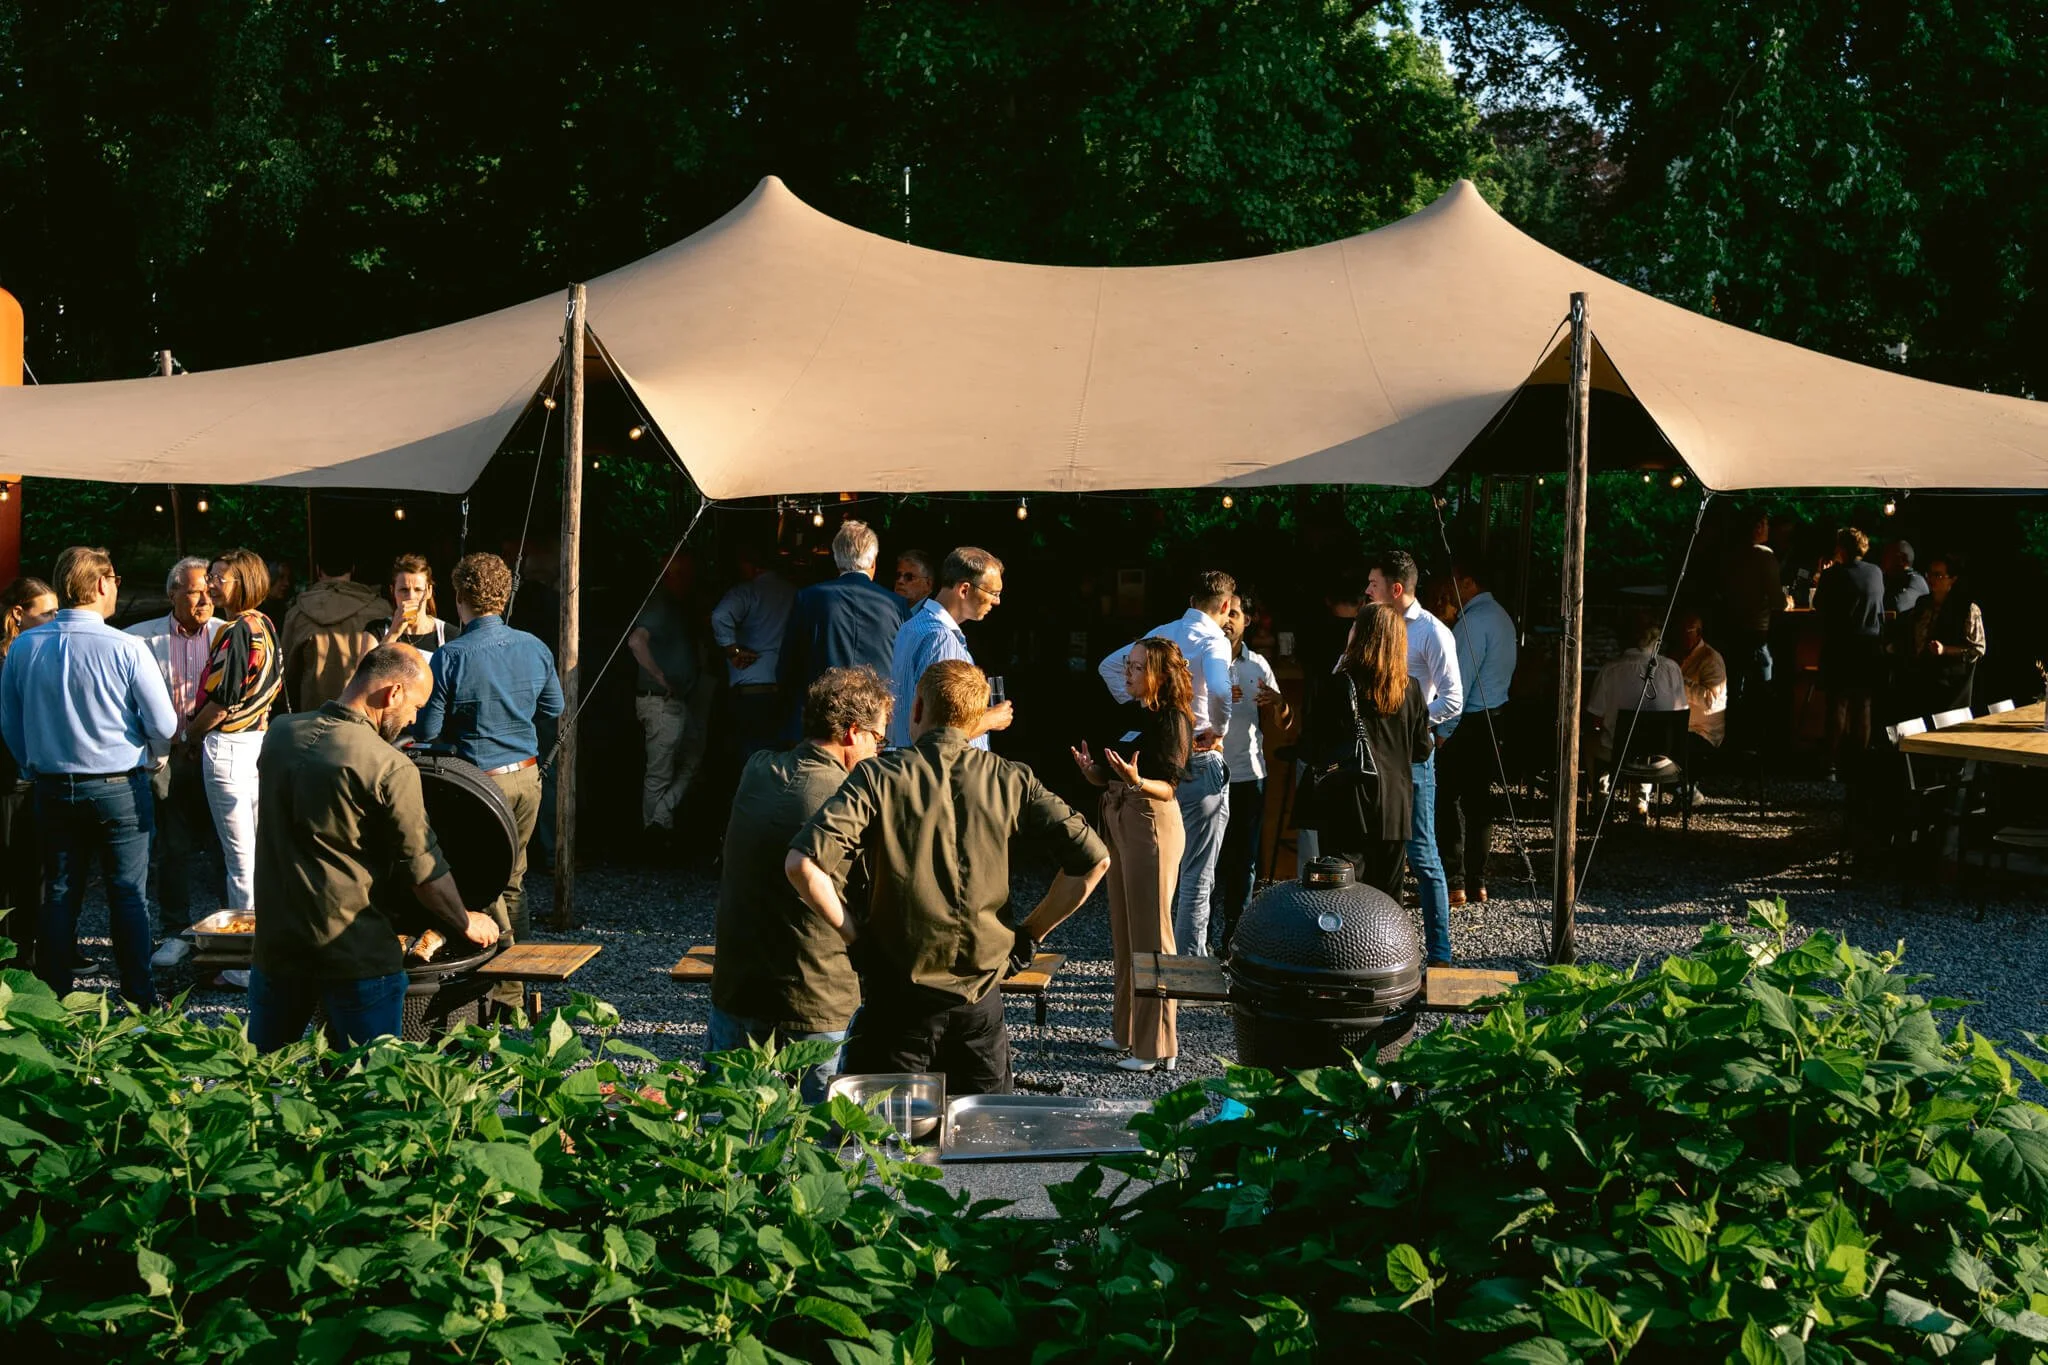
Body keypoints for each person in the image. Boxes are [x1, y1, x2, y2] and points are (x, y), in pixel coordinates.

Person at [787, 660, 1109, 1097]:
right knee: (983, 1143)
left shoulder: (878, 776)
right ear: (976, 720)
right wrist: (1029, 935)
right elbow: (1094, 860)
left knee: (876, 1146)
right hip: (980, 1004)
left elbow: (803, 865)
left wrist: (856, 938)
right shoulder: (1012, 778)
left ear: (916, 708)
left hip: (898, 1002)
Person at [248, 645, 499, 1051]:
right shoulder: (389, 765)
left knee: (257, 1077)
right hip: (354, 955)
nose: (415, 718)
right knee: (369, 1093)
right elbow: (424, 871)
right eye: (415, 705)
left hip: (278, 948)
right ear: (393, 692)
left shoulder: (279, 735)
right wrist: (465, 921)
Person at [0, 548, 176, 1004]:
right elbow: (165, 724)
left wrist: (31, 763)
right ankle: (139, 996)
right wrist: (155, 755)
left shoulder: (23, 645)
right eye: (114, 580)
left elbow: (10, 722)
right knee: (127, 894)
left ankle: (55, 999)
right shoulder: (126, 646)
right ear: (101, 585)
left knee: (59, 893)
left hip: (52, 785)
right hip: (119, 784)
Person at [709, 666, 893, 1101]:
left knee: (729, 1145)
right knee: (824, 1148)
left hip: (738, 990)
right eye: (879, 739)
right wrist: (858, 939)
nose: (881, 751)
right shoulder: (848, 798)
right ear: (852, 733)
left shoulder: (757, 769)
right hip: (816, 997)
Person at [416, 553, 564, 942]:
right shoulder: (534, 646)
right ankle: (521, 971)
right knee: (514, 877)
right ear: (502, 598)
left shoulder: (451, 656)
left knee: (481, 881)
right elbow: (554, 708)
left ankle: (500, 981)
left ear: (461, 597)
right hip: (528, 776)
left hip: (479, 783)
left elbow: (428, 729)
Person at [1097, 570, 1237, 957]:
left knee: (1159, 866)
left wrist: (1147, 710)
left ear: (1192, 600)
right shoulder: (1215, 641)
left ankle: (1153, 954)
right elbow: (1222, 692)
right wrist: (1219, 728)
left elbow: (1109, 666)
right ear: (1225, 606)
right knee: (1196, 870)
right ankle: (1189, 962)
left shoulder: (1163, 631)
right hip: (1199, 750)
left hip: (1160, 754)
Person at [1071, 637, 1193, 1072]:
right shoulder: (1129, 714)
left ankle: (1159, 1045)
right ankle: (1126, 1031)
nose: (1129, 673)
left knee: (1153, 936)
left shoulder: (1174, 719)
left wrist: (1137, 780)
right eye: (1129, 665)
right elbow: (1112, 773)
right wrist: (1094, 773)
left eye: (1139, 667)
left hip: (1151, 823)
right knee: (1123, 930)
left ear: (1160, 672)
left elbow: (1170, 785)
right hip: (1119, 816)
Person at [124, 557, 226, 967]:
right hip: (167, 755)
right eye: (195, 590)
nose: (205, 598)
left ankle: (231, 927)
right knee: (173, 847)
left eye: (209, 590)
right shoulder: (138, 639)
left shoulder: (229, 634)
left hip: (218, 752)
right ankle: (175, 929)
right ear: (173, 594)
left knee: (227, 846)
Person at [1364, 551, 1461, 966]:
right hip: (1373, 752)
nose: (1366, 590)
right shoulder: (1369, 629)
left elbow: (1454, 698)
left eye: (1373, 584)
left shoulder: (1433, 633)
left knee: (1422, 853)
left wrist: (1418, 725)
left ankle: (1440, 954)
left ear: (1395, 588)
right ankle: (1382, 950)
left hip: (1411, 756)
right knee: (1378, 849)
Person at [1297, 604, 1430, 905]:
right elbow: (1421, 750)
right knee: (1388, 903)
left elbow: (1312, 746)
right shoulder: (1412, 689)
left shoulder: (1338, 685)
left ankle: (1345, 953)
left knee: (1341, 900)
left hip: (1347, 801)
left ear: (1362, 636)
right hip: (1395, 806)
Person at [181, 549, 285, 924]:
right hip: (259, 742)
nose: (210, 584)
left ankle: (242, 958)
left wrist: (189, 735)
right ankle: (265, 940)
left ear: (242, 582)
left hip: (230, 745)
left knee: (240, 858)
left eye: (218, 578)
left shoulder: (238, 630)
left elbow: (223, 702)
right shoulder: (265, 624)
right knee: (258, 852)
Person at [1437, 556, 1516, 908]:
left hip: (1468, 719)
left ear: (1469, 584)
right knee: (1479, 802)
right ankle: (1477, 880)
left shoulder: (1473, 624)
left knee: (1449, 799)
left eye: (1454, 582)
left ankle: (1455, 881)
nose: (1449, 589)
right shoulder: (1502, 619)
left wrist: (1443, 730)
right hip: (1495, 715)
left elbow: (1460, 684)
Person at [1213, 596, 1288, 950]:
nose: (1228, 621)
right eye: (1224, 613)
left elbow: (1282, 721)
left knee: (1245, 860)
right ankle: (1196, 934)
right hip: (1207, 773)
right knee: (1206, 860)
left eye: (1236, 615)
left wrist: (1279, 704)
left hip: (1248, 774)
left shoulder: (1258, 665)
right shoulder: (1200, 662)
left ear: (1248, 622)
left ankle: (1234, 932)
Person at [889, 547, 1014, 749]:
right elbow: (940, 734)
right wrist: (992, 718)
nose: (997, 601)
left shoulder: (912, 626)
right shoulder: (941, 638)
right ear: (964, 589)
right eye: (993, 593)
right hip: (939, 775)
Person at [0, 577, 59, 976]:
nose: (55, 620)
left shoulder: (30, 653)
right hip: (7, 777)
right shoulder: (11, 658)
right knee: (9, 867)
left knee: (29, 867)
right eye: (48, 613)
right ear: (19, 614)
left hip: (26, 774)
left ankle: (28, 951)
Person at [627, 557, 706, 855]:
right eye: (682, 574)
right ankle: (654, 839)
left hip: (675, 701)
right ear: (668, 576)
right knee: (659, 772)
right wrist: (660, 677)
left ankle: (660, 819)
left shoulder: (675, 607)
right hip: (661, 701)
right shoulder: (659, 606)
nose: (688, 581)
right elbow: (636, 642)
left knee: (692, 757)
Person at [779, 520, 907, 699]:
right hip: (879, 711)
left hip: (825, 709)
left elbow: (789, 664)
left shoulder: (809, 598)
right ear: (873, 562)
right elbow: (906, 663)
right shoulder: (896, 604)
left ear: (837, 560)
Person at [1587, 612, 1687, 815]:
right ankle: (1640, 802)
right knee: (1647, 744)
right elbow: (1680, 712)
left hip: (1619, 754)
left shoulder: (1611, 670)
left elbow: (1596, 717)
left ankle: (1602, 797)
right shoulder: (1671, 669)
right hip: (1662, 755)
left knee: (1590, 740)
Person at [710, 545, 798, 758]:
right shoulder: (794, 592)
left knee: (751, 756)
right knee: (778, 756)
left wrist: (733, 650)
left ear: (753, 565)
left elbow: (720, 616)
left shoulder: (746, 591)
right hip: (782, 684)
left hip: (750, 687)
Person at [1814, 527, 1885, 775]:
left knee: (1838, 704)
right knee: (1863, 705)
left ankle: (1830, 763)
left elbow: (1819, 606)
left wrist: (1821, 577)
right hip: (1869, 646)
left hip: (1841, 647)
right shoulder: (1876, 572)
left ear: (1841, 548)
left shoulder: (1833, 575)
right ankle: (1859, 764)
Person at [280, 554, 385, 711]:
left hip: (312, 716)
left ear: (318, 571)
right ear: (353, 569)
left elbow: (286, 675)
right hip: (362, 713)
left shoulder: (297, 614)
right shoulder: (379, 610)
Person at [1891, 553, 1985, 718]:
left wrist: (1945, 650)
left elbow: (1977, 649)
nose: (1932, 579)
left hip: (1950, 687)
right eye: (1930, 574)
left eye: (1939, 575)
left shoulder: (1966, 609)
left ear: (1952, 579)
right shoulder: (1922, 603)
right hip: (1919, 681)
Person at [1721, 507, 1786, 736]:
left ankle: (1734, 734)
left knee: (1734, 684)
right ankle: (1759, 736)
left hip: (1732, 628)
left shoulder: (1732, 554)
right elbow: (1777, 600)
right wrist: (1786, 600)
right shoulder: (1764, 555)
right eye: (1766, 524)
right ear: (1758, 527)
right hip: (1757, 630)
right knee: (1762, 685)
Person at [368, 553, 456, 655]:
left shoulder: (448, 635)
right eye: (404, 590)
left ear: (428, 591)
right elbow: (365, 670)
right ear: (392, 591)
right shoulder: (377, 630)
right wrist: (392, 634)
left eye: (418, 589)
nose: (411, 596)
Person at [1673, 609, 1729, 761]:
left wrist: (1678, 682)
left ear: (1698, 633)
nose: (1681, 636)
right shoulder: (1679, 654)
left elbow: (1710, 700)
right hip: (1682, 728)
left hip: (1703, 733)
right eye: (1679, 631)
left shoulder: (1710, 659)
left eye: (1687, 631)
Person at [1880, 540, 1928, 616]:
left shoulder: (1916, 581)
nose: (1883, 558)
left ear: (1902, 559)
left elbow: (1896, 605)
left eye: (1888, 555)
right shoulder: (1890, 579)